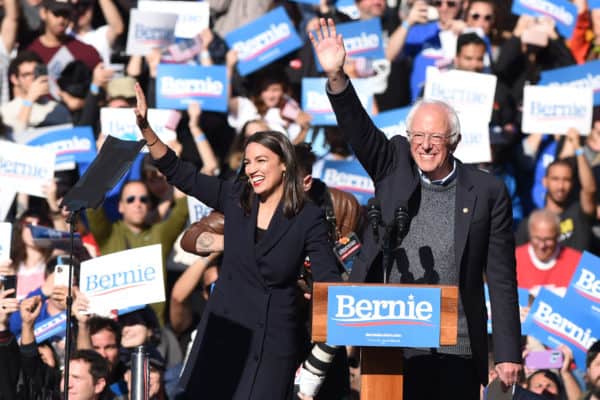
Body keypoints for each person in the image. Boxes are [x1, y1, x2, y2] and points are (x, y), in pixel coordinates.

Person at [309, 18, 522, 399]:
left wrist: (506, 352)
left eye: (435, 137)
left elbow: (502, 277)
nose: (424, 145)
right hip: (391, 336)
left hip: (456, 342)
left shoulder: (487, 190)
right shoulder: (393, 163)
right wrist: (338, 78)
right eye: (417, 137)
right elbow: (358, 130)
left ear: (453, 141)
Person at [133, 82, 342, 399]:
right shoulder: (236, 197)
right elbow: (181, 173)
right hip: (224, 334)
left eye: (261, 160)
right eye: (247, 162)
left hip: (271, 345)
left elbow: (329, 283)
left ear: (284, 164)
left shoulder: (308, 218)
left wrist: (319, 358)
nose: (252, 169)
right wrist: (147, 129)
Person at [516, 209, 581, 297]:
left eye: (548, 239)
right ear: (529, 234)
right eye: (537, 238)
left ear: (558, 236)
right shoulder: (512, 260)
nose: (542, 245)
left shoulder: (577, 263)